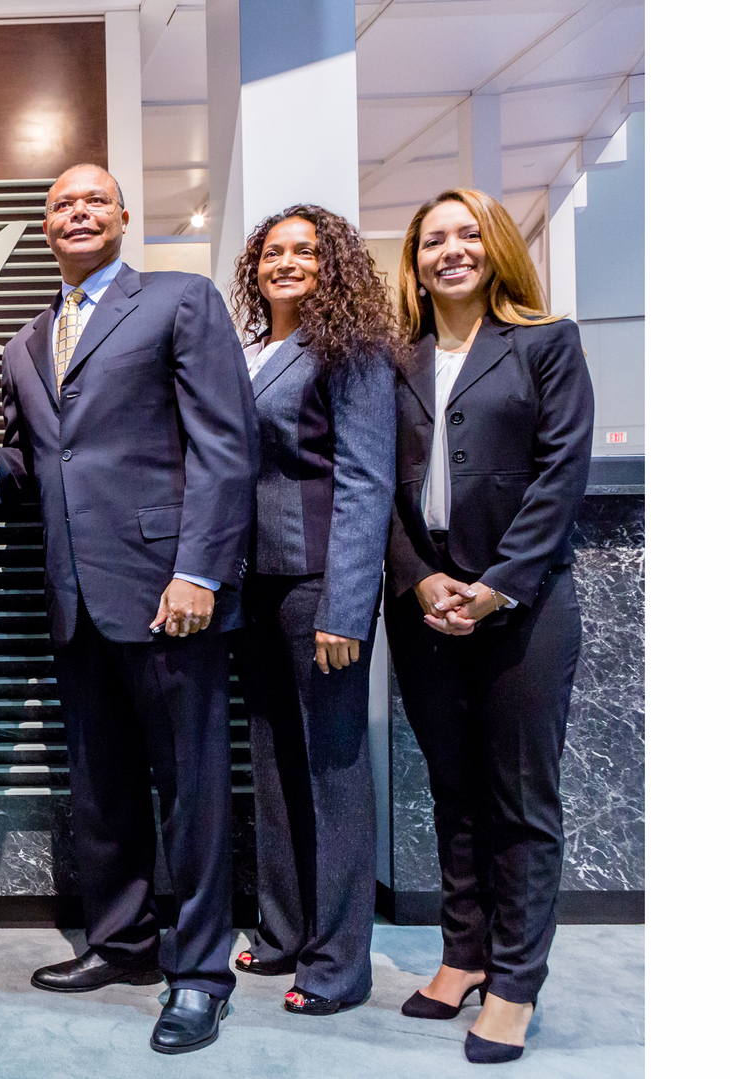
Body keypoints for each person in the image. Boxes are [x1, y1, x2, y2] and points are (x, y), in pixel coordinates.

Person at [0, 164, 258, 1055]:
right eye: (61, 203)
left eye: (93, 200)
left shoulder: (180, 300)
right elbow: (40, 464)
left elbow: (226, 446)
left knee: (192, 792)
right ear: (45, 225)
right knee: (101, 788)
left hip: (167, 592)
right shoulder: (28, 339)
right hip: (72, 597)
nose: (77, 212)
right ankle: (123, 942)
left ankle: (200, 973)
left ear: (123, 215)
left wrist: (200, 572)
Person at [384, 188, 594, 1065]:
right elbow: (375, 486)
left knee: (520, 799)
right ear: (416, 262)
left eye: (468, 234)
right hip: (425, 605)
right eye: (434, 239)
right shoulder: (397, 359)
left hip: (525, 609)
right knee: (454, 789)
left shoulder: (546, 344)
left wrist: (496, 585)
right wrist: (422, 577)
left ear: (497, 246)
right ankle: (463, 953)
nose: (451, 250)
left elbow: (561, 475)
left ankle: (514, 981)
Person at [224, 205, 399, 1015]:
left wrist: (347, 606)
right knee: (271, 760)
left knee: (332, 772)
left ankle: (338, 961)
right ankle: (287, 928)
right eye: (272, 251)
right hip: (254, 585)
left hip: (319, 586)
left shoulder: (352, 350)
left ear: (335, 266)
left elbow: (368, 480)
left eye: (305, 251)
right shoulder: (255, 349)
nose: (285, 263)